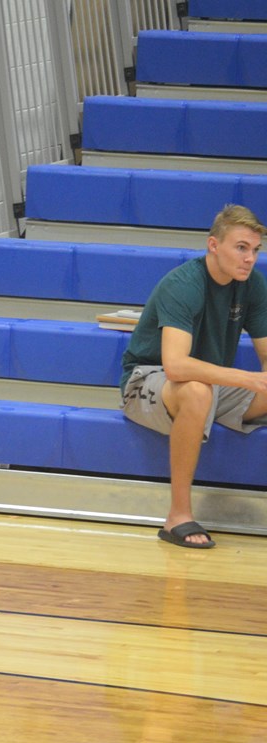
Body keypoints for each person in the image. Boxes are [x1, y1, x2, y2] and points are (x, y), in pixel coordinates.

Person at [121, 203, 267, 549]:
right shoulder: (184, 284)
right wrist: (248, 379)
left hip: (209, 385)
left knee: (204, 390)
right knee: (197, 391)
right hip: (148, 380)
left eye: (256, 251)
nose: (250, 258)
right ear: (213, 245)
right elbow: (176, 366)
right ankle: (177, 517)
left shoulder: (254, 285)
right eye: (241, 248)